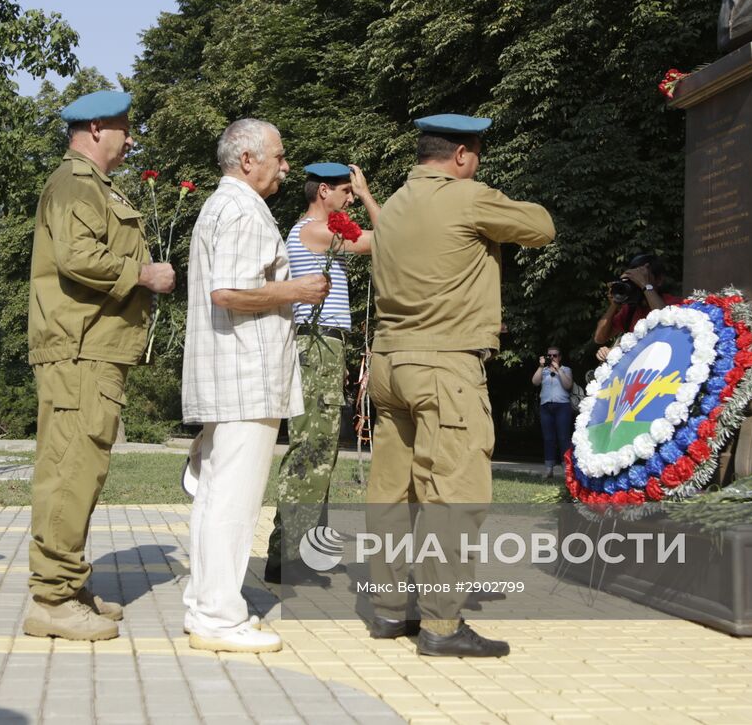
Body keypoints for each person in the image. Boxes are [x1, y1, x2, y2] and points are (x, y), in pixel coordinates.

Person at [366, 113, 554, 658]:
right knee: (453, 492)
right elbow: (541, 227)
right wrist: (487, 192)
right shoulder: (468, 196)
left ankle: (387, 610)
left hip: (389, 364)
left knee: (392, 493)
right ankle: (442, 627)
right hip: (444, 368)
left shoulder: (395, 204)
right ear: (463, 156)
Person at [23, 90, 176, 641]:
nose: (130, 138)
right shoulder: (74, 185)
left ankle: (67, 585)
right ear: (93, 129)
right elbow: (76, 257)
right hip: (79, 350)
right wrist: (143, 273)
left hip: (93, 348)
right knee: (70, 469)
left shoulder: (91, 187)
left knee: (81, 469)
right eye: (122, 128)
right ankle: (52, 599)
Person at [181, 119, 328, 653]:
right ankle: (218, 617)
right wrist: (297, 288)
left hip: (233, 370)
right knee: (233, 500)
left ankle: (205, 605)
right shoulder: (241, 209)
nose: (286, 166)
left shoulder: (226, 205)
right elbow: (228, 292)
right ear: (248, 159)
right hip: (245, 372)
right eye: (279, 156)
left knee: (218, 494)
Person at [264, 161, 380, 584]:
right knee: (312, 450)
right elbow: (387, 239)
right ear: (323, 192)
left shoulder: (311, 231)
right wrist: (369, 197)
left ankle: (301, 554)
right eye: (346, 192)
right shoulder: (313, 231)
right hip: (316, 343)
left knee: (320, 450)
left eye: (353, 193)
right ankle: (286, 557)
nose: (350, 199)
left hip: (323, 344)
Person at [592, 253, 679, 362]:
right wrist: (615, 302)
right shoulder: (630, 310)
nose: (637, 284)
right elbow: (600, 338)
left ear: (659, 280)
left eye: (642, 277)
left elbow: (667, 320)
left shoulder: (672, 304)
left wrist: (645, 285)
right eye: (634, 280)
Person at [531, 347, 574, 479]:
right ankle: (549, 469)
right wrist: (540, 366)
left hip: (562, 406)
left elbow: (568, 385)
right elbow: (534, 382)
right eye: (549, 355)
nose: (552, 358)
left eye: (555, 355)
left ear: (559, 357)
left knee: (563, 438)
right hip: (546, 407)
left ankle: (567, 469)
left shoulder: (566, 369)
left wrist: (558, 370)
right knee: (548, 438)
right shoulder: (543, 371)